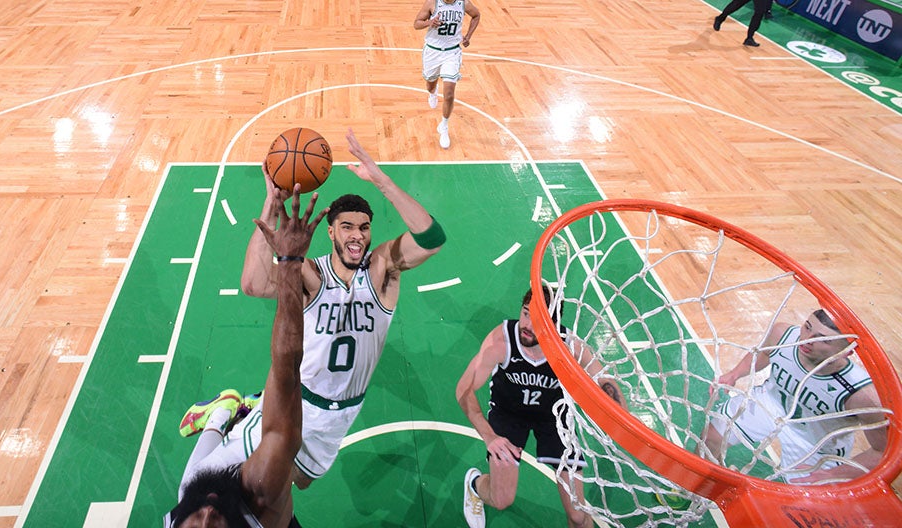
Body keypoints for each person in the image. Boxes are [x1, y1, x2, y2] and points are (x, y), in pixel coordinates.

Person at [180, 128, 445, 493]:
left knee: (301, 483)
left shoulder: (382, 270)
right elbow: (253, 283)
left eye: (364, 228)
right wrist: (272, 205)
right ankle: (222, 415)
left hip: (343, 412)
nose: (357, 235)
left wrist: (381, 181)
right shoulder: (311, 275)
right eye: (347, 227)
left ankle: (244, 409)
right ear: (331, 233)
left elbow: (432, 238)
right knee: (194, 490)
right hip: (295, 404)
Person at [166, 186, 326, 528]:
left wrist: (284, 248)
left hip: (215, 485)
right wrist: (288, 263)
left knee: (193, 485)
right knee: (298, 473)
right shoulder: (260, 492)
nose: (207, 515)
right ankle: (226, 412)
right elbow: (286, 372)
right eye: (214, 527)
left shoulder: (198, 503)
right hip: (257, 506)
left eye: (194, 525)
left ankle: (222, 412)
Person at [456, 284, 624, 528]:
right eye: (526, 313)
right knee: (501, 499)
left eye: (538, 320)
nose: (527, 325)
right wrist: (490, 436)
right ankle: (474, 484)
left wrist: (627, 425)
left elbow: (606, 383)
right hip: (509, 414)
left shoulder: (569, 347)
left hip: (553, 418)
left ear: (553, 325)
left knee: (578, 516)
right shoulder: (501, 342)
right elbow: (463, 389)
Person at [701, 309, 887, 484]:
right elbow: (765, 352)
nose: (807, 340)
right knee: (711, 438)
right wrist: (735, 374)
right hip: (770, 402)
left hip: (817, 443)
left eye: (824, 340)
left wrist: (831, 474)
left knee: (803, 501)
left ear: (846, 351)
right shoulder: (784, 335)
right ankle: (697, 485)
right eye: (807, 327)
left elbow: (882, 452)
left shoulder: (862, 395)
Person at [414, 0, 480, 149]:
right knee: (430, 84)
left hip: (452, 52)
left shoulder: (463, 3)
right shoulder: (432, 3)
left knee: (449, 94)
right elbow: (416, 23)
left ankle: (443, 126)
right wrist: (429, 22)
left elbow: (476, 15)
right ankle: (432, 92)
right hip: (432, 51)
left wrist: (468, 35)